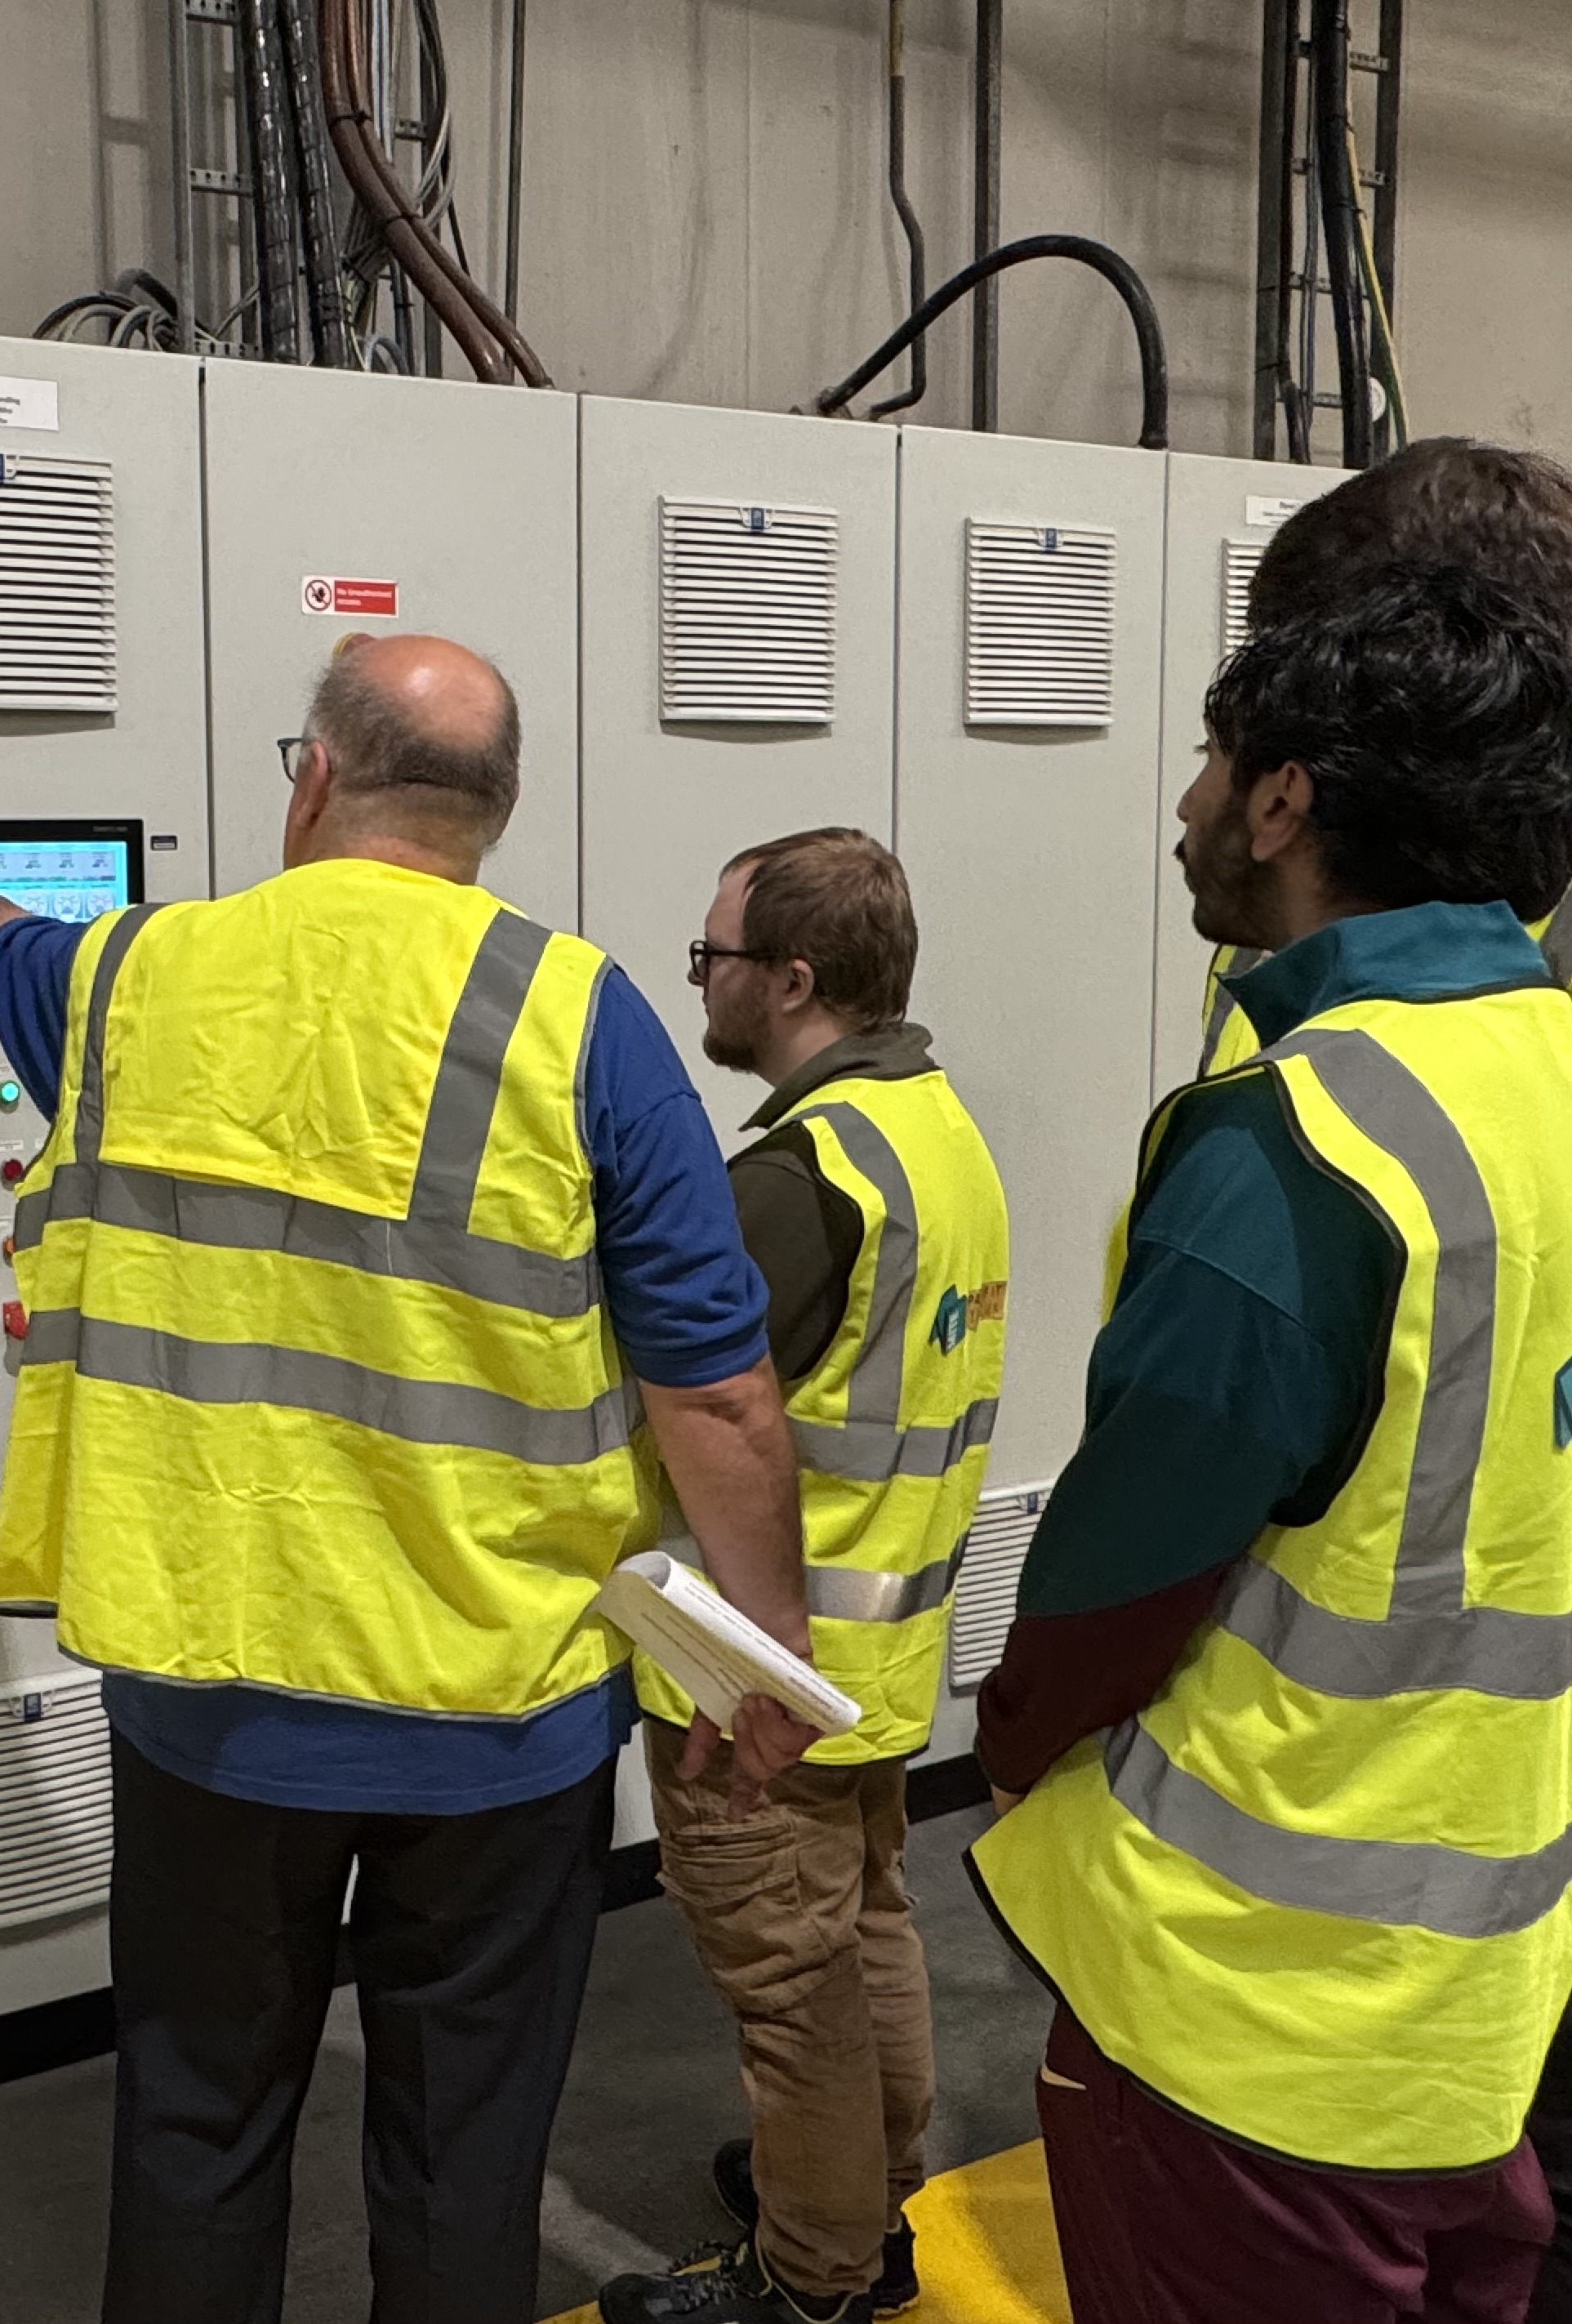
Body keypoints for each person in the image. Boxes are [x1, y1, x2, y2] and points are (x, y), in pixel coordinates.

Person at [0, 633, 818, 2324]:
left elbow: (6, 945)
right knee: (462, 2155)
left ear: (311, 776)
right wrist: (761, 1662)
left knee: (194, 2117)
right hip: (499, 1708)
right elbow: (724, 1396)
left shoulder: (127, 981)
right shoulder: (578, 1014)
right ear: (498, 811)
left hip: (211, 1699)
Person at [970, 565, 1572, 2324]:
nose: (1186, 804)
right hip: (1483, 1996)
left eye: (1211, 760)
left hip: (1255, 2021)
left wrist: (1011, 1738)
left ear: (1287, 797)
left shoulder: (1298, 1142)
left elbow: (1129, 1556)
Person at [1206, 440, 1572, 2324]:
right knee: (1399, 2094)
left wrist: (1545, 1627)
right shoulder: (1407, 850)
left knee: (1545, 2085)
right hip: (1390, 1637)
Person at [598, 831, 1009, 2324]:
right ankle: (861, 2203)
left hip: (750, 1677)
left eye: (709, 957)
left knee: (791, 1996)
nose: (696, 979)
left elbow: (701, 1401)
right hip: (881, 1658)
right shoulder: (930, 1128)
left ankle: (814, 2278)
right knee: (865, 1930)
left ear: (791, 978)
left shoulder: (793, 1180)